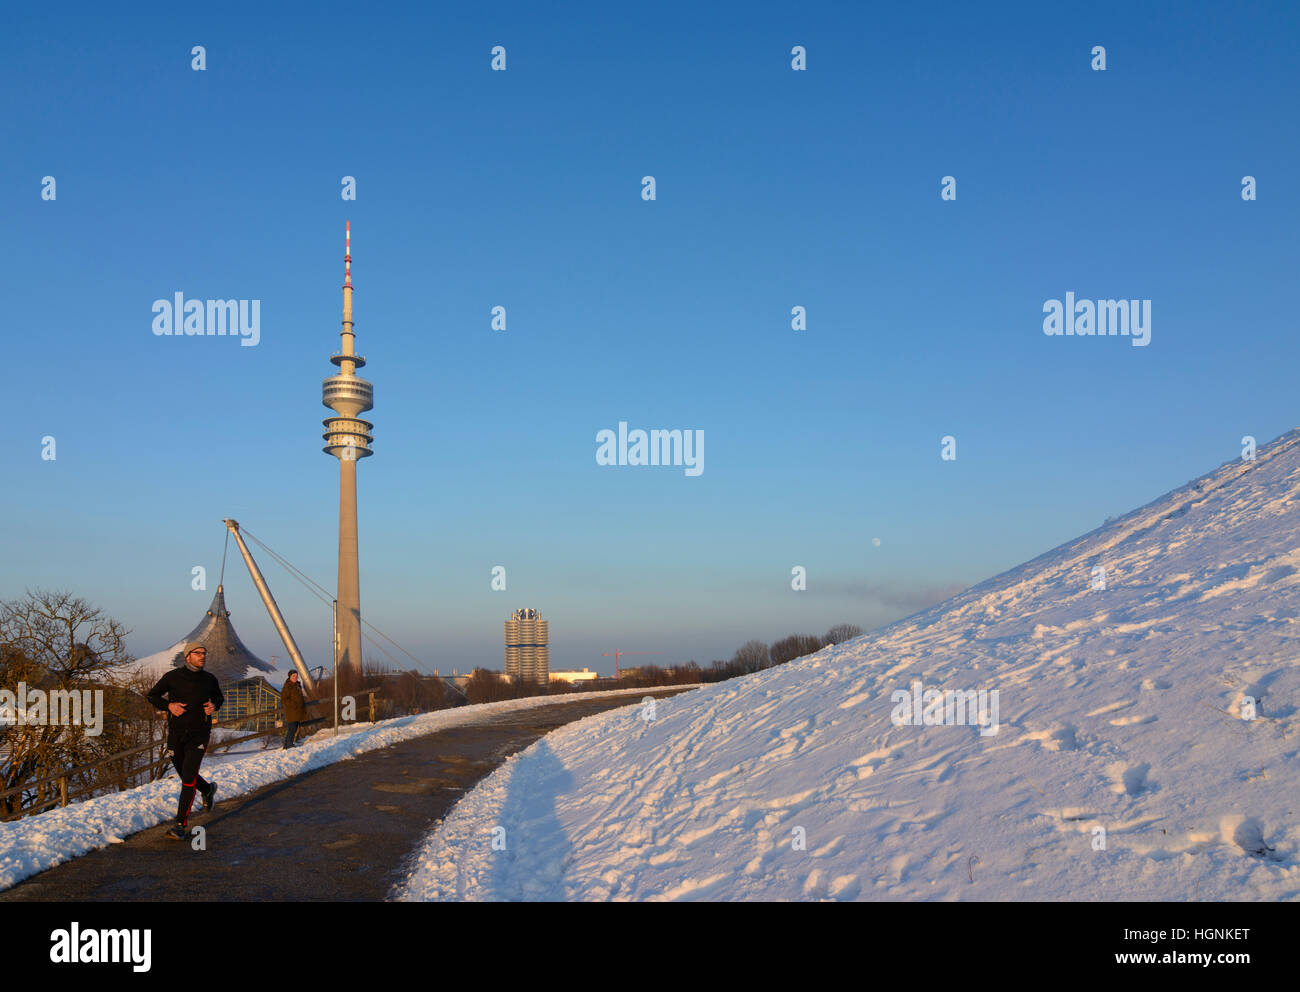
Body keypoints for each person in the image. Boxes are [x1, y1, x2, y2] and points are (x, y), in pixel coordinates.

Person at [146, 642, 223, 840]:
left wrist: (213, 706)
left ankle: (180, 824)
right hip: (176, 734)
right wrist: (169, 706)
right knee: (184, 774)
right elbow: (152, 695)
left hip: (199, 734)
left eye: (204, 653)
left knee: (188, 778)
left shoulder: (209, 679)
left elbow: (219, 698)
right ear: (188, 656)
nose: (202, 656)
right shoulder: (173, 677)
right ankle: (207, 789)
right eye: (198, 653)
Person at [279, 670, 323, 748]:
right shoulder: (288, 686)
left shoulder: (297, 685)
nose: (295, 677)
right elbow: (284, 699)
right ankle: (289, 744)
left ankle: (287, 744)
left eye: (296, 676)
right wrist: (294, 705)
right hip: (291, 711)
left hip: (297, 711)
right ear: (289, 677)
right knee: (292, 728)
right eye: (293, 676)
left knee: (295, 727)